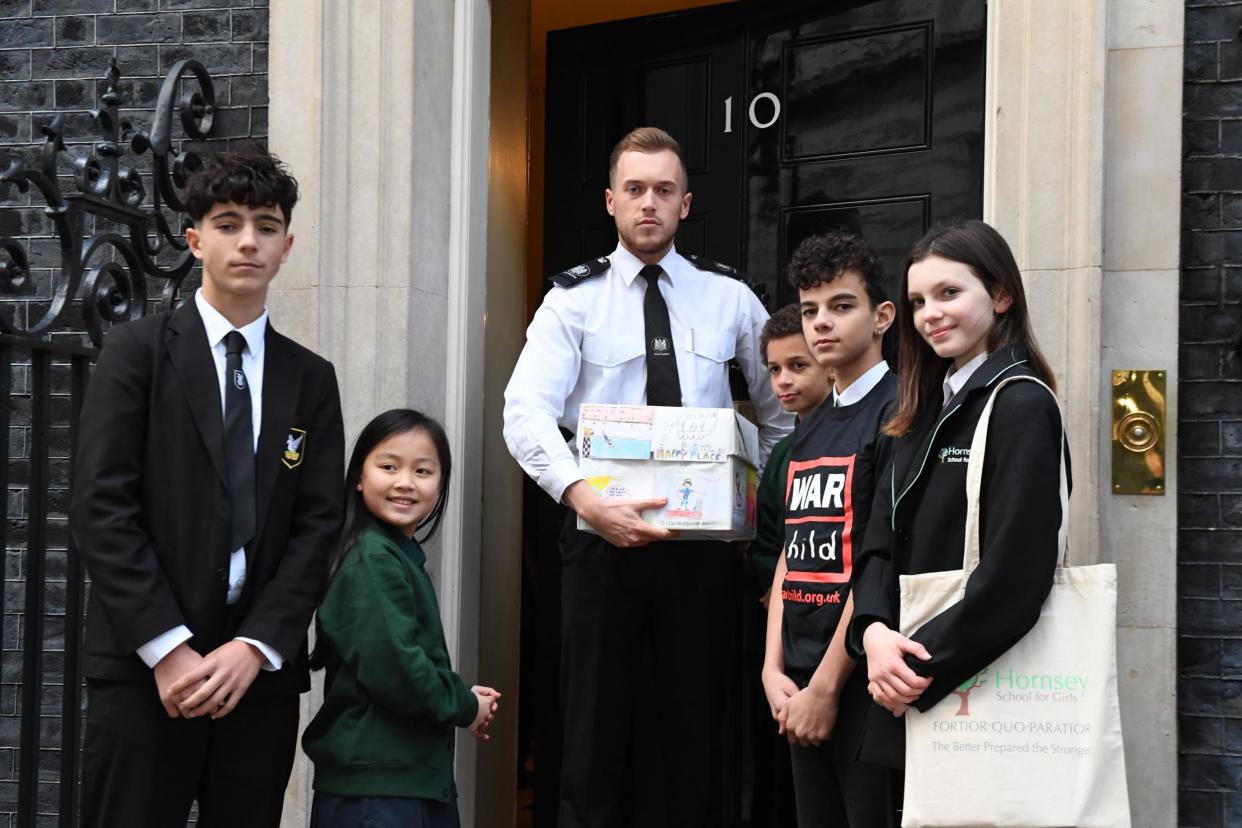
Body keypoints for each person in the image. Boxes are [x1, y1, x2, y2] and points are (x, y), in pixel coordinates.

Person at [503, 126, 793, 827]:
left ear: (686, 203)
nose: (649, 204)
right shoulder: (573, 301)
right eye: (634, 190)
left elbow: (785, 413)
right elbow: (524, 413)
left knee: (697, 732)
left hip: (704, 555)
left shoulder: (729, 298)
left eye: (664, 190)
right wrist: (583, 499)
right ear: (610, 201)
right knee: (595, 732)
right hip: (601, 544)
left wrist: (762, 521)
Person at [69, 149, 345, 826]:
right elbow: (101, 507)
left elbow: (317, 526)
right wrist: (168, 649)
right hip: (145, 675)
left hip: (257, 680)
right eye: (228, 223)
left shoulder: (310, 378)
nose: (248, 239)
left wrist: (256, 647)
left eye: (265, 225)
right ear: (195, 240)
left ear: (287, 246)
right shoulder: (136, 351)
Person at [845, 220, 1067, 812]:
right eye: (918, 300)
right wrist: (871, 635)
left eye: (949, 294)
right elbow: (876, 544)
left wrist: (912, 668)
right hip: (898, 684)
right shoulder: (914, 414)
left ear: (1000, 295)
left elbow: (1016, 577)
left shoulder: (1020, 404)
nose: (929, 314)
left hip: (957, 687)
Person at [302, 409, 500, 827]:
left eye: (423, 470)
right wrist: (465, 705)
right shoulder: (373, 558)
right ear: (359, 476)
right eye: (388, 466)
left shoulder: (393, 554)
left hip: (402, 785)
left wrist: (460, 696)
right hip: (380, 793)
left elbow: (401, 658)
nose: (405, 482)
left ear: (441, 483)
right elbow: (397, 670)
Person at [760, 231, 899, 826]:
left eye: (842, 306)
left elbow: (879, 560)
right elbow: (792, 554)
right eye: (811, 309)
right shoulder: (810, 425)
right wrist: (773, 668)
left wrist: (824, 686)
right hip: (797, 679)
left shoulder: (901, 412)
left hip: (862, 684)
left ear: (881, 316)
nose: (822, 323)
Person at [744, 302, 833, 827]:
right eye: (773, 369)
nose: (782, 381)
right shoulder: (780, 457)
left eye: (797, 366)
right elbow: (767, 544)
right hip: (784, 641)